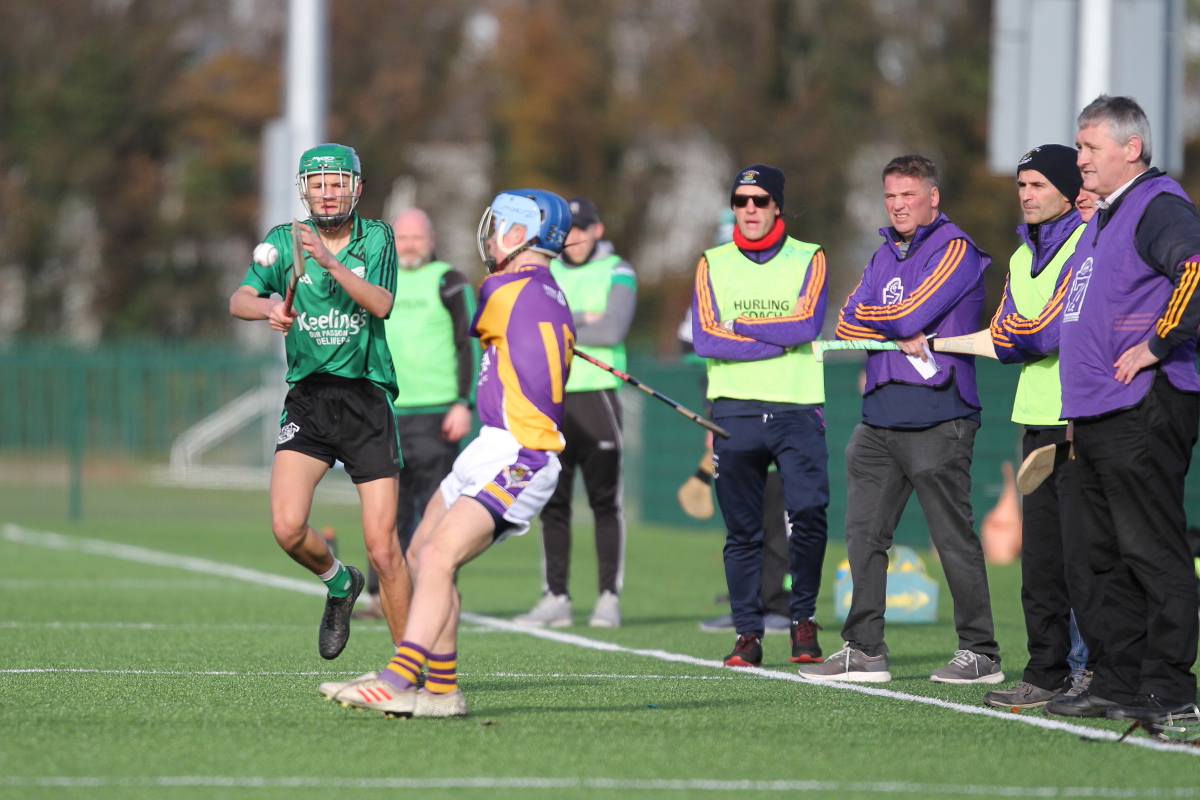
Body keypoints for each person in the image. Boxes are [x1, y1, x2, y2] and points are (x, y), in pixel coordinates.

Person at [327, 189, 575, 718]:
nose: (488, 238)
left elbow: (487, 318)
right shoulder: (546, 292)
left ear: (517, 235)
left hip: (524, 453)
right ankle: (442, 692)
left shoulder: (503, 287)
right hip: (489, 445)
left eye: (497, 227)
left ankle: (400, 677)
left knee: (439, 556)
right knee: (419, 555)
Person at [801, 155, 1002, 684]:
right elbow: (846, 321)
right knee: (864, 536)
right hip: (879, 418)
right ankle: (864, 649)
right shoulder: (879, 255)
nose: (898, 205)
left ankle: (980, 652)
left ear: (932, 197)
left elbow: (910, 315)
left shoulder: (956, 249)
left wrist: (884, 321)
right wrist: (889, 323)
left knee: (952, 539)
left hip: (939, 412)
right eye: (890, 196)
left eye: (908, 195)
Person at [1045, 96, 1200, 722]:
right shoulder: (1104, 218)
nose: (1079, 159)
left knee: (1152, 550)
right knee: (1100, 557)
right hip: (1099, 412)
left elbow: (1195, 269)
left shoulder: (1157, 204)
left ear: (1129, 148)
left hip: (1144, 406)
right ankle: (1117, 680)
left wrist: (1158, 343)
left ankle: (1169, 689)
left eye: (1088, 147)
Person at [229, 143, 409, 661]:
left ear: (355, 188)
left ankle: (410, 670)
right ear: (304, 190)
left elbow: (381, 303)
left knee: (383, 548)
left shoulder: (377, 237)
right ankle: (338, 583)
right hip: (308, 399)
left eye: (337, 183)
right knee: (286, 527)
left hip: (365, 398)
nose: (327, 193)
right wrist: (267, 309)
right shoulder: (282, 243)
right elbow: (238, 299)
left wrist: (329, 261)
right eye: (317, 184)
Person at [691, 164, 830, 667]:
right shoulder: (711, 262)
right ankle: (748, 633)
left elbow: (808, 324)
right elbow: (706, 338)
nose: (750, 209)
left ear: (778, 207)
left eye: (760, 200)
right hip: (735, 411)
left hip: (796, 407)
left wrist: (743, 326)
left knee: (809, 516)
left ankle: (803, 620)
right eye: (741, 200)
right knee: (742, 533)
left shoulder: (809, 256)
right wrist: (776, 336)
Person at [983, 144, 1097, 708]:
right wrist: (1018, 334)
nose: (1026, 194)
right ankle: (1045, 672)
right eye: (1021, 185)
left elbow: (1044, 333)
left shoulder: (1087, 244)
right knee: (1041, 563)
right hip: (1032, 419)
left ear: (1066, 190)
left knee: (1085, 558)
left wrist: (1018, 334)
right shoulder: (1017, 256)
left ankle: (1091, 671)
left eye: (1037, 185)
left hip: (1078, 419)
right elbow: (1005, 332)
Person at [514, 197, 636, 629]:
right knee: (552, 501)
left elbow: (612, 328)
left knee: (605, 503)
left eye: (582, 229)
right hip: (553, 396)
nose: (574, 239)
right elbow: (530, 322)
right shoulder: (546, 270)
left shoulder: (618, 270)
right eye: (568, 231)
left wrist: (564, 323)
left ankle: (608, 597)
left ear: (597, 230)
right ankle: (556, 597)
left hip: (599, 396)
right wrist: (584, 317)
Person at [354, 208, 480, 620]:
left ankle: (438, 596)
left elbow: (471, 345)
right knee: (386, 510)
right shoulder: (375, 278)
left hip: (436, 415)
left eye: (417, 238)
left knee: (436, 509)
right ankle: (384, 598)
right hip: (384, 410)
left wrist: (464, 403)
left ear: (431, 238)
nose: (409, 246)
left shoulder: (450, 281)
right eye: (402, 238)